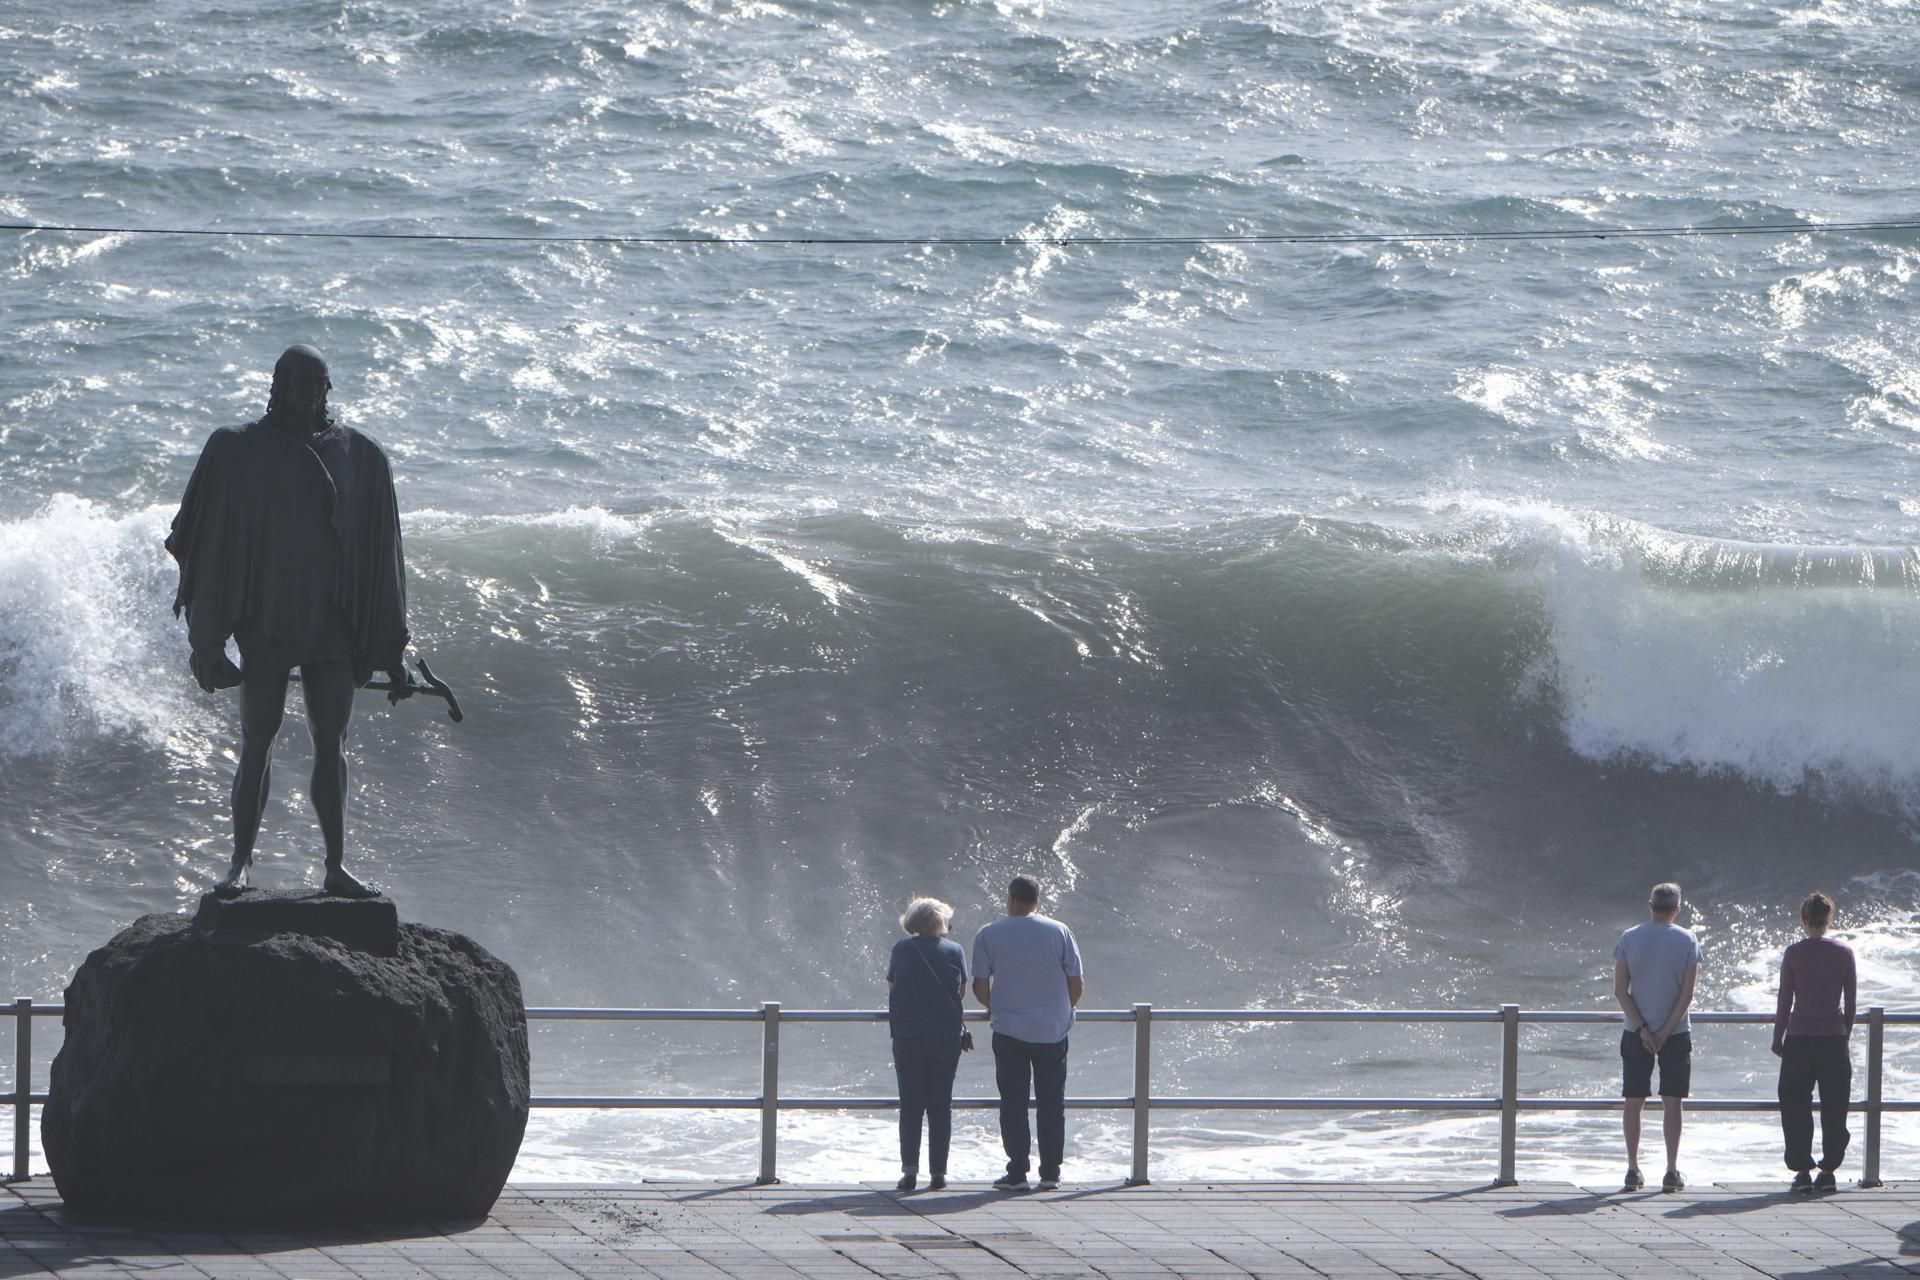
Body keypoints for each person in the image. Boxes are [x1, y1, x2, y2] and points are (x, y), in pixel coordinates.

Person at [166, 344, 410, 900]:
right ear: (276, 384)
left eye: (318, 383)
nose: (309, 392)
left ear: (329, 388)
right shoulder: (236, 450)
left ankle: (336, 867)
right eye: (298, 381)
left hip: (332, 623)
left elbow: (383, 558)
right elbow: (207, 544)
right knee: (257, 739)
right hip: (267, 620)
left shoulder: (361, 454)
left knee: (333, 741)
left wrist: (388, 647)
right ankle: (239, 864)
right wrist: (207, 640)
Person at [972, 874, 1083, 1192]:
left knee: (1013, 1102)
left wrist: (997, 1007)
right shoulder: (1059, 931)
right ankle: (1050, 1173)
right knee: (1052, 1103)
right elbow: (1076, 983)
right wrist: (1062, 1010)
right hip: (1053, 1030)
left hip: (1009, 1030)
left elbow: (980, 987)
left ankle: (1018, 1172)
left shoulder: (989, 933)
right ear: (1037, 900)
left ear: (1010, 899)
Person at [1612, 881, 1701, 1192]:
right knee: (1672, 1102)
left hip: (1635, 1030)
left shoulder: (1629, 937)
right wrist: (1663, 1032)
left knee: (1633, 1100)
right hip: (1674, 1032)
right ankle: (1671, 1169)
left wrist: (1642, 1029)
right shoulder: (1687, 939)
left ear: (1650, 907)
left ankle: (1633, 1168)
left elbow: (1620, 991)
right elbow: (1687, 994)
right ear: (1676, 910)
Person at [1774, 890, 1857, 1193]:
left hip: (1799, 1038)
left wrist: (1777, 1035)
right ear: (1828, 919)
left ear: (1804, 919)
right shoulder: (1844, 953)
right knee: (1835, 1105)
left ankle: (1802, 1170)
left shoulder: (1794, 953)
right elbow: (1850, 1005)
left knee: (1795, 1103)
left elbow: (1785, 1001)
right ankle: (1829, 1169)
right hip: (1833, 1039)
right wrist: (1843, 1034)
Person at [885, 896, 969, 1192]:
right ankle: (938, 1174)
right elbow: (960, 991)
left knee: (911, 1107)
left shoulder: (901, 949)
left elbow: (892, 985)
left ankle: (909, 1173)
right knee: (940, 1106)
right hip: (945, 1036)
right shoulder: (954, 950)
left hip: (907, 1035)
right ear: (938, 922)